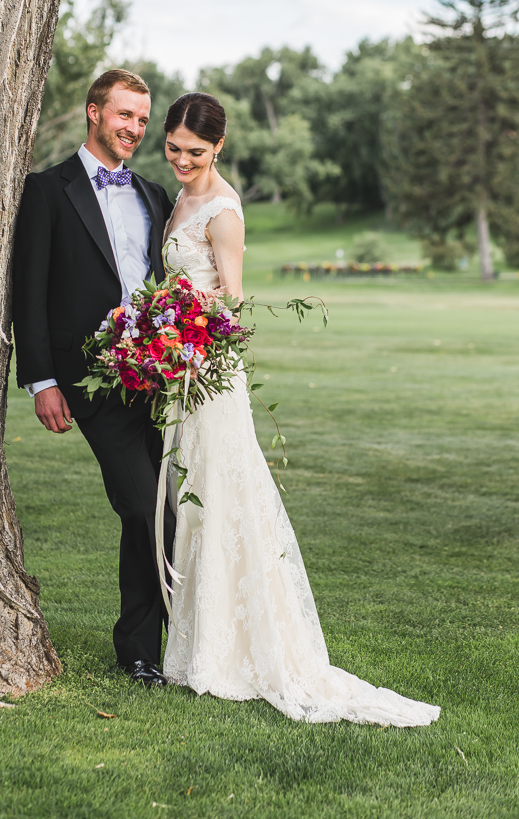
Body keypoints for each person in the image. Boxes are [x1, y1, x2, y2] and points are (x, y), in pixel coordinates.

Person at [160, 92, 441, 726]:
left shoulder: (223, 211)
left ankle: (245, 652)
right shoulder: (180, 198)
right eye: (173, 148)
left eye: (194, 152)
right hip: (181, 369)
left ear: (219, 148)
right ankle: (203, 644)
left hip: (211, 371)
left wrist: (173, 323)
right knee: (197, 495)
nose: (181, 159)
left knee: (225, 493)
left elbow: (230, 305)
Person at [12, 69, 176, 687]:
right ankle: (138, 649)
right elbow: (27, 290)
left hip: (162, 379)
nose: (133, 128)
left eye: (141, 119)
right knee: (142, 506)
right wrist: (41, 380)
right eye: (123, 115)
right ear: (94, 113)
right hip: (92, 381)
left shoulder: (154, 196)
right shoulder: (47, 191)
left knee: (167, 511)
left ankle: (155, 644)